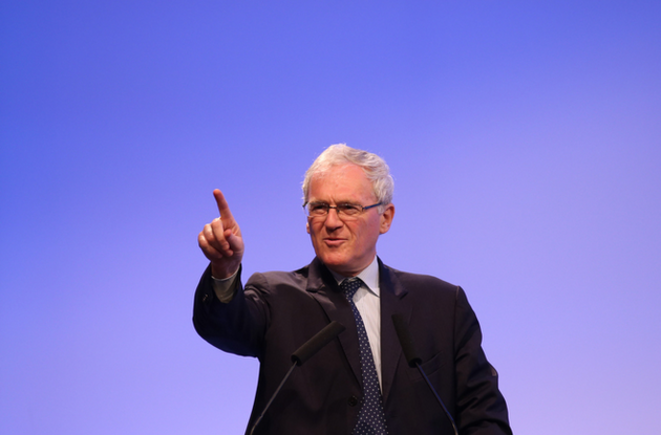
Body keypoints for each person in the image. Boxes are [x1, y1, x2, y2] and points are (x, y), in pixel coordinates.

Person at [193, 144, 512, 435]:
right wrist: (225, 270)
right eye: (318, 208)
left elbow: (484, 417)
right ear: (307, 220)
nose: (331, 222)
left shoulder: (442, 304)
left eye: (347, 207)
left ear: (385, 218)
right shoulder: (275, 296)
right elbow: (224, 325)